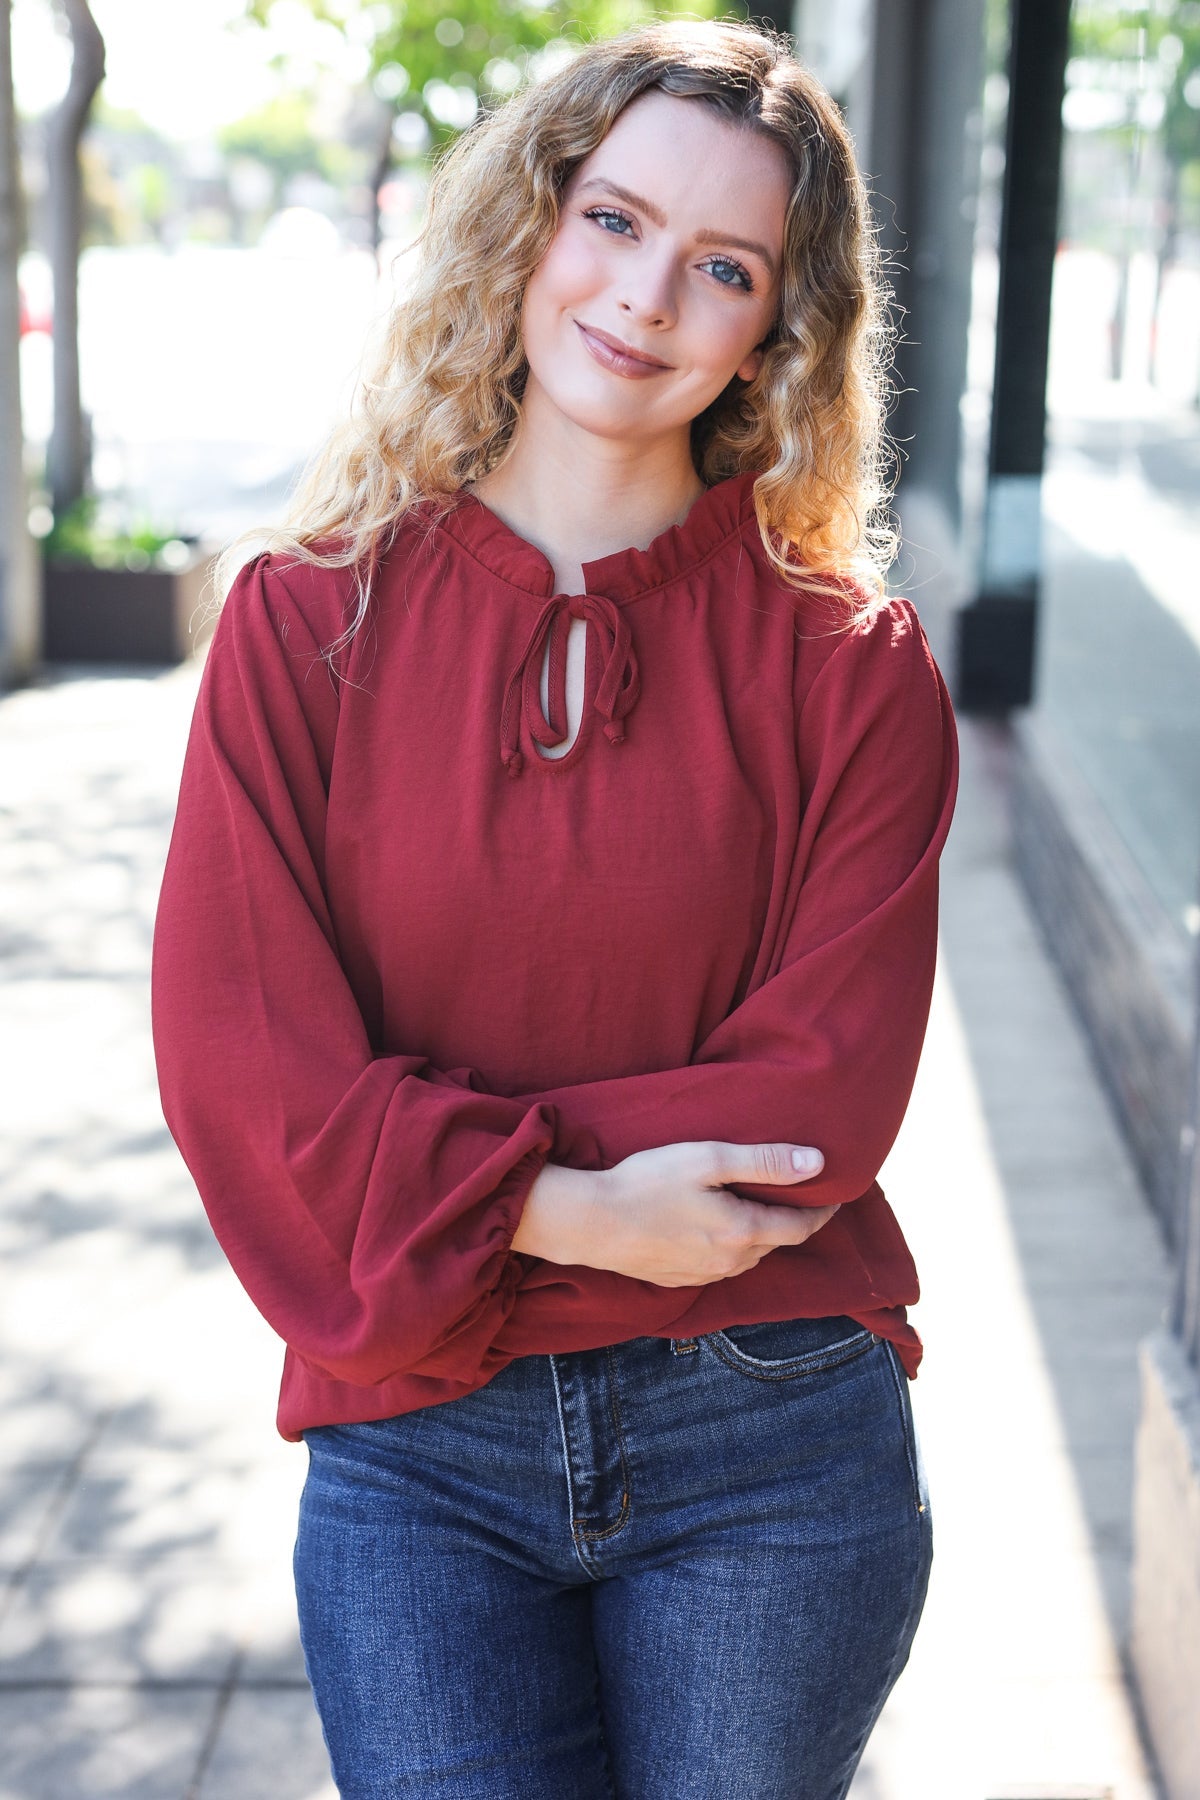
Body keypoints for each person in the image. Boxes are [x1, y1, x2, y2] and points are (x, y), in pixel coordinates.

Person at [151, 15, 959, 1798]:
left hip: (769, 1430)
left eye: (722, 265)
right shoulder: (304, 629)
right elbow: (242, 1074)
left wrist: (423, 1167)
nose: (645, 296)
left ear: (776, 329)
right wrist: (572, 1209)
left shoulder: (853, 671)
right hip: (420, 1436)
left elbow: (810, 1107)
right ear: (531, 225)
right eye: (612, 219)